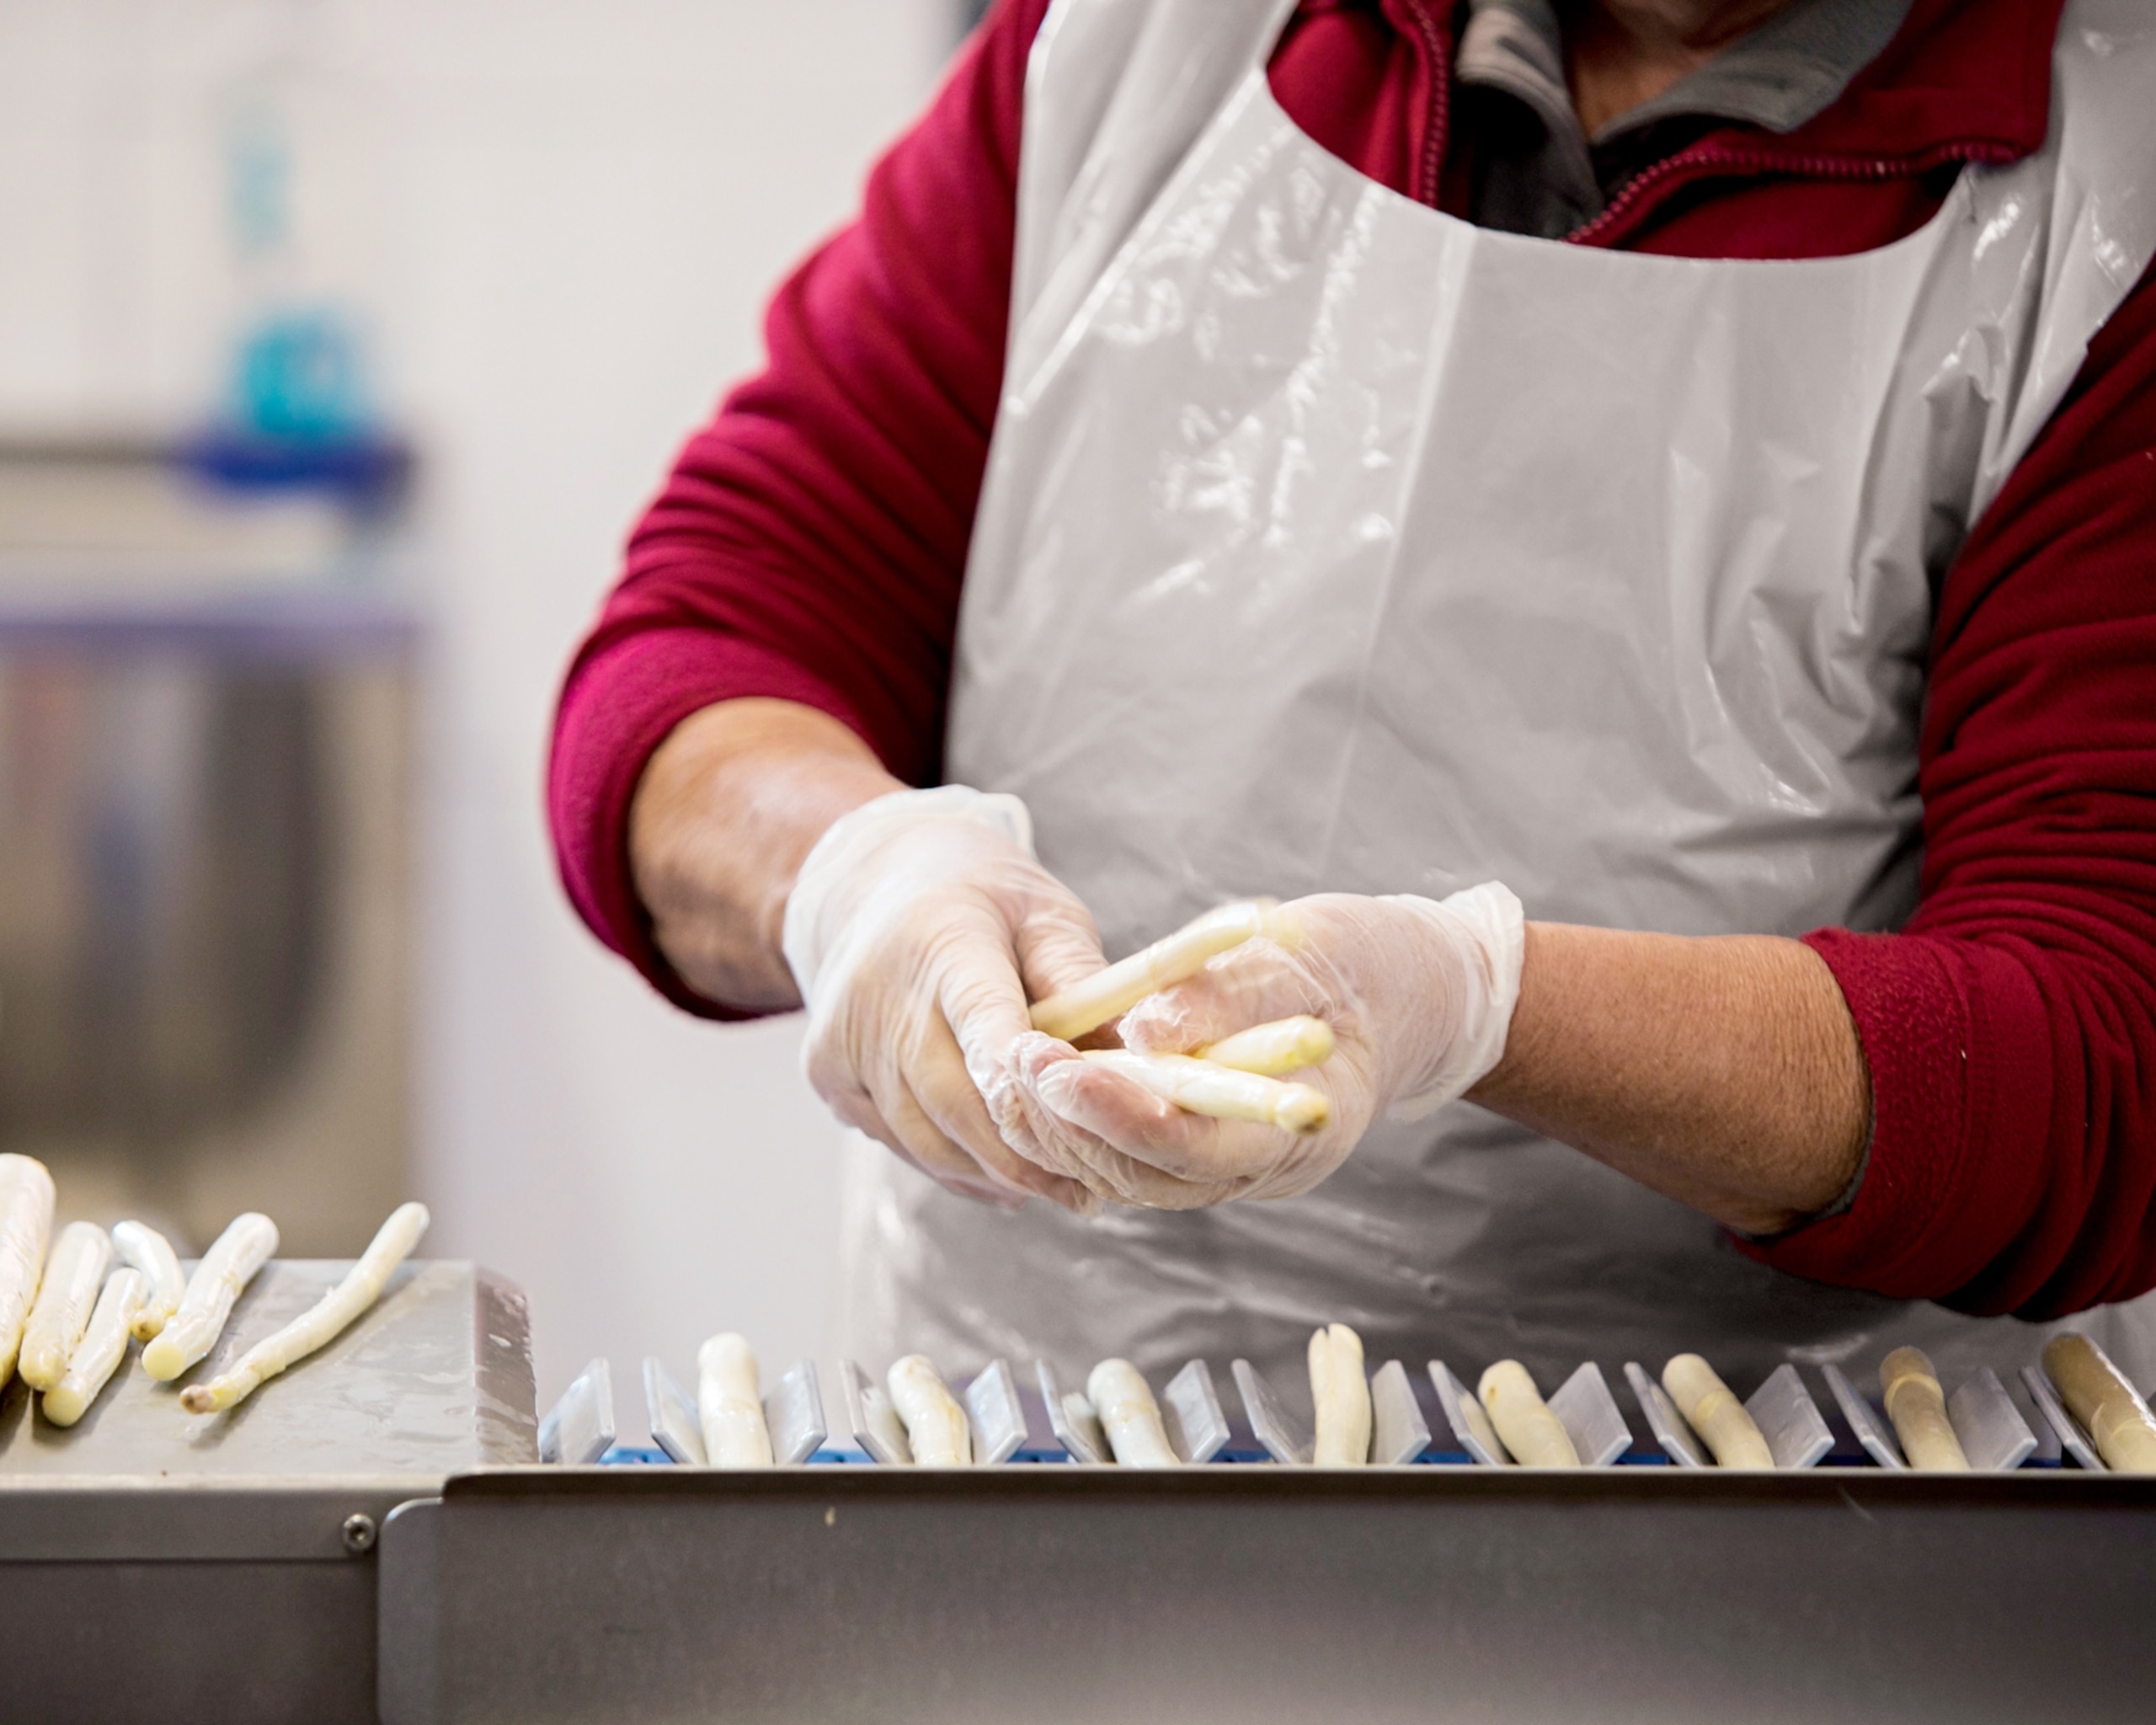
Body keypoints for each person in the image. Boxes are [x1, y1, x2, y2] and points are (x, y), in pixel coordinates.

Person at [550, 0, 2156, 1391]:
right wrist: (853, 878)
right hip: (1033, 1465)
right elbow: (712, 642)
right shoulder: (1137, 46)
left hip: (1746, 1538)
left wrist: (1475, 1001)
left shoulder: (2100, 219)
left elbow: (2103, 1052)